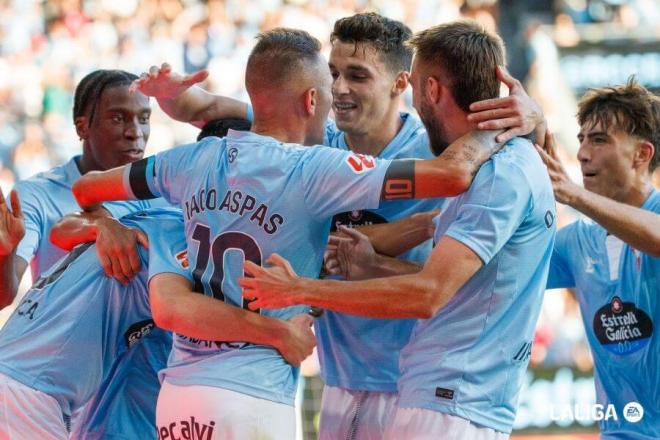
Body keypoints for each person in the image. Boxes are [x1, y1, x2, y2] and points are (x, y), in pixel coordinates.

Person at [72, 27, 510, 439]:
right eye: (332, 81)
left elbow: (86, 188)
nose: (338, 93)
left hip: (180, 394)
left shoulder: (188, 161)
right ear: (312, 99)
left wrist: (105, 222)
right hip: (255, 391)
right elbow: (452, 175)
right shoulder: (315, 169)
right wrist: (508, 123)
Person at [240, 21, 556, 440]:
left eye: (356, 74)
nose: (339, 88)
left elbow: (431, 290)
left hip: (444, 396)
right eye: (333, 74)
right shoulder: (320, 143)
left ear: (419, 87)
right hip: (377, 385)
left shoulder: (474, 165)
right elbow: (458, 283)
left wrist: (300, 289)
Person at [537, 79, 659, 438]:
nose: (583, 153)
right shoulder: (577, 240)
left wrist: (573, 194)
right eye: (582, 140)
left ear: (642, 154)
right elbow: (500, 272)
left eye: (600, 140)